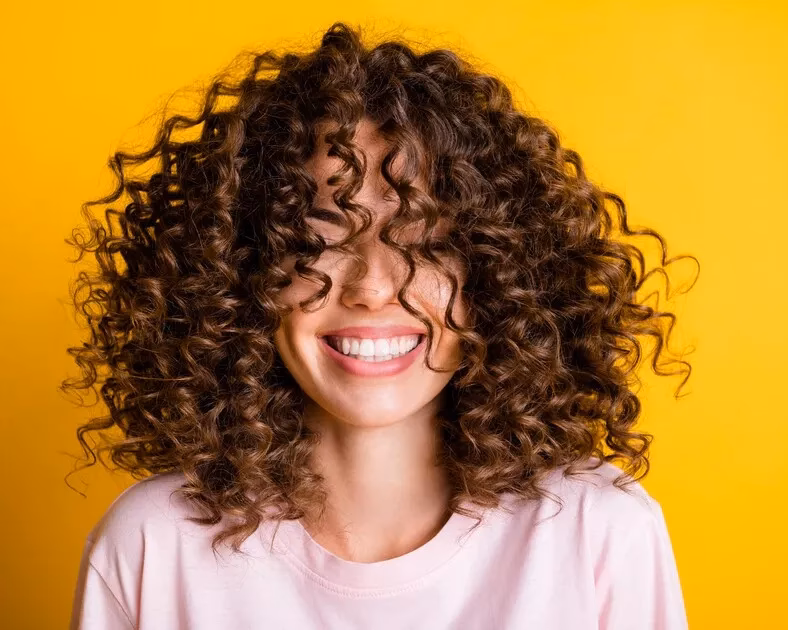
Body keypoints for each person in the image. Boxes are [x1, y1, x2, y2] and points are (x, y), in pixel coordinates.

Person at [64, 21, 695, 629]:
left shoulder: (599, 534)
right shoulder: (152, 547)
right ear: (246, 272)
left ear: (499, 276)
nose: (371, 287)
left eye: (423, 240)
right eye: (321, 238)